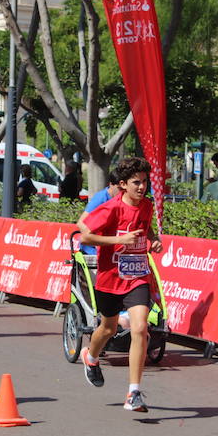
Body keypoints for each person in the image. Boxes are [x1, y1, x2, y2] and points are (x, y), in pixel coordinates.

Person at [77, 157, 163, 413]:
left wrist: (154, 240)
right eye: (136, 182)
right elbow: (86, 234)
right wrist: (120, 239)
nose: (142, 187)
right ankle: (90, 357)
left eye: (145, 182)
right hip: (110, 278)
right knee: (108, 328)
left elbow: (147, 231)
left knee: (139, 328)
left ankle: (133, 392)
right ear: (123, 184)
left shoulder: (147, 206)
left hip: (137, 276)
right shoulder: (111, 208)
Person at [76, 170, 121, 256]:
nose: (122, 192)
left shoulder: (121, 200)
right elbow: (81, 223)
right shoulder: (100, 198)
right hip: (92, 251)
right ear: (111, 184)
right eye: (119, 188)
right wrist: (96, 241)